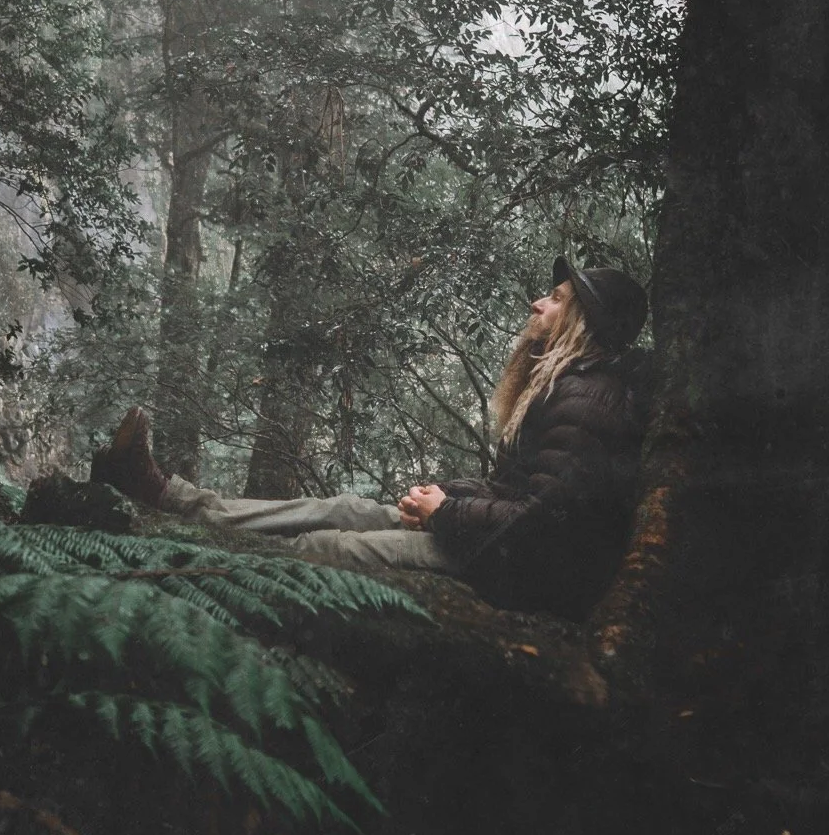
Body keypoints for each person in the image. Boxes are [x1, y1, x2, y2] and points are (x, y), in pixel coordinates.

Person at [91, 258, 652, 620]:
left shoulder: (588, 399)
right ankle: (170, 498)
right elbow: (518, 490)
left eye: (555, 298)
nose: (537, 303)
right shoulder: (570, 386)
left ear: (582, 320)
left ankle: (206, 585)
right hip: (491, 546)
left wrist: (447, 513)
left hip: (516, 574)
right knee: (342, 507)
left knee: (327, 546)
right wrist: (443, 497)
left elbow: (544, 523)